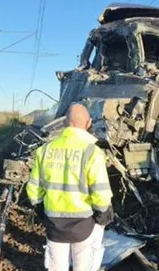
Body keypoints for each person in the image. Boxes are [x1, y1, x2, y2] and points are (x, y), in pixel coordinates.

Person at [26, 104, 113, 271]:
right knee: (84, 265)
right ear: (88, 124)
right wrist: (101, 214)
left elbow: (34, 189)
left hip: (54, 223)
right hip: (84, 224)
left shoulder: (45, 150)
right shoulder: (93, 152)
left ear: (65, 123)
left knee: (56, 266)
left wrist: (40, 208)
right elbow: (101, 194)